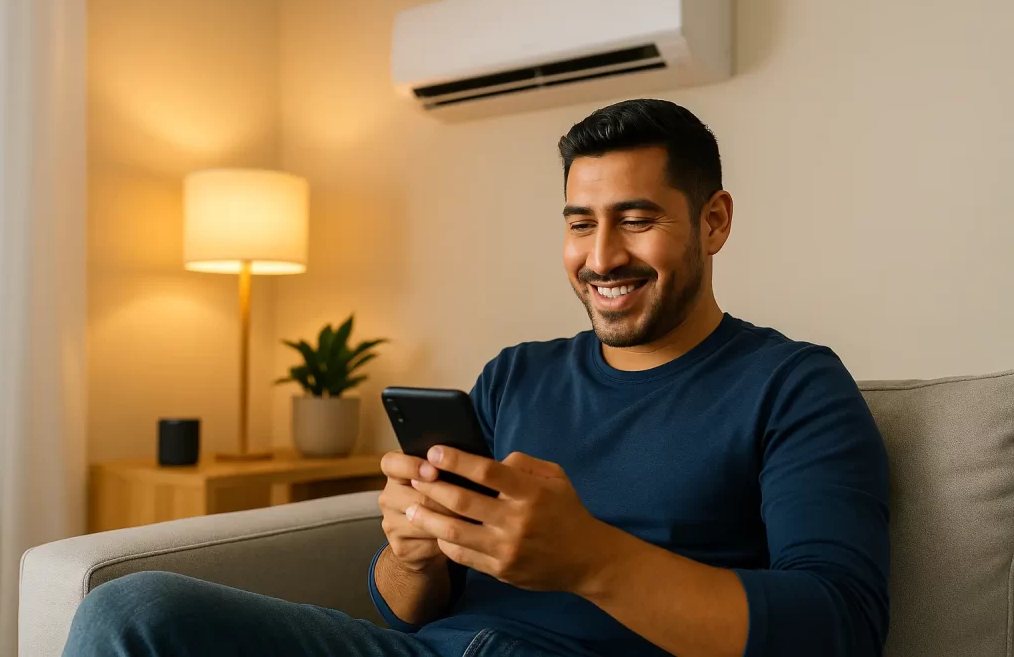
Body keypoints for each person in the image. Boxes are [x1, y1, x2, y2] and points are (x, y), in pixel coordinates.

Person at [63, 99, 889, 657]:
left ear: (713, 222)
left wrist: (592, 561)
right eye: (580, 223)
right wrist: (413, 554)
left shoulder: (792, 385)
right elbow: (403, 607)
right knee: (128, 612)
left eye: (636, 220)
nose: (601, 256)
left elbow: (841, 625)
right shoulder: (515, 375)